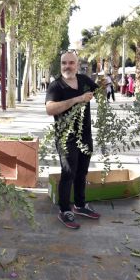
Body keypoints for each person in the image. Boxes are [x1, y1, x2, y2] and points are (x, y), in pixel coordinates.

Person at [45, 51, 100, 229]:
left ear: (76, 64)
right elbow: (50, 109)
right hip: (66, 137)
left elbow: (98, 90)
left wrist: (105, 83)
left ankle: (80, 205)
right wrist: (77, 99)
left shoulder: (84, 81)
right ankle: (64, 210)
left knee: (82, 172)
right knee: (68, 172)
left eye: (71, 63)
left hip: (85, 135)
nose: (67, 66)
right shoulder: (56, 86)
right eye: (64, 63)